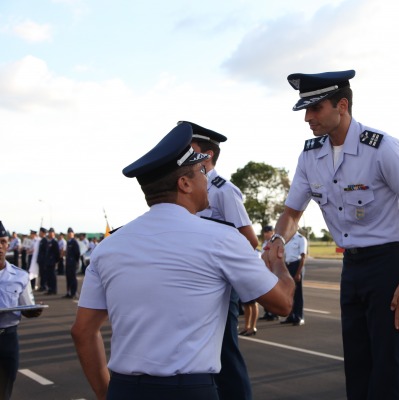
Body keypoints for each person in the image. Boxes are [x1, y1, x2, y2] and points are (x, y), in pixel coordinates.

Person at [70, 123, 294, 400]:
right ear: (184, 183)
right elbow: (282, 304)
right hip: (188, 390)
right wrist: (279, 264)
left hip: (124, 389)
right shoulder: (221, 239)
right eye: (201, 172)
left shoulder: (109, 246)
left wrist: (106, 393)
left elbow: (82, 331)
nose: (206, 180)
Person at [263, 69, 399, 400]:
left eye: (314, 109)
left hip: (391, 265)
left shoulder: (381, 148)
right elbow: (292, 213)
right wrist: (277, 239)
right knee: (358, 369)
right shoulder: (310, 155)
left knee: (390, 369)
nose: (307, 118)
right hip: (353, 267)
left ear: (341, 105)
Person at [182, 120, 260, 400]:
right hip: (198, 285)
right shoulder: (189, 189)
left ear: (207, 155)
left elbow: (249, 240)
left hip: (221, 288)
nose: (183, 154)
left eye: (190, 149)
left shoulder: (222, 190)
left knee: (225, 353)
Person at [0, 221, 44, 400]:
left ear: (8, 244)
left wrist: (33, 311)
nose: (0, 247)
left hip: (8, 340)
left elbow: (26, 305)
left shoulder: (20, 275)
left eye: (3, 242)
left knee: (4, 389)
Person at [280, 229, 308, 326]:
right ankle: (291, 316)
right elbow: (284, 255)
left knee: (298, 293)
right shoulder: (286, 239)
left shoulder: (301, 239)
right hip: (287, 266)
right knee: (289, 293)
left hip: (296, 266)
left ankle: (299, 317)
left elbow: (303, 257)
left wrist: (298, 273)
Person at [259, 225, 279, 322]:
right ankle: (267, 312)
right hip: (265, 270)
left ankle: (274, 313)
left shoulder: (275, 243)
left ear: (273, 232)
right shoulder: (264, 243)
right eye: (265, 232)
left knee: (273, 292)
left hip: (272, 269)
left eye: (268, 232)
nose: (266, 234)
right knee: (265, 291)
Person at [64, 227, 80, 299]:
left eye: (71, 233)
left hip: (72, 263)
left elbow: (77, 253)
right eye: (68, 233)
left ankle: (73, 292)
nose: (69, 234)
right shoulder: (68, 242)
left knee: (73, 278)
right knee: (68, 278)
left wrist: (75, 261)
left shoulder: (74, 242)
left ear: (73, 234)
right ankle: (68, 292)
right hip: (68, 263)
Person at [44, 228, 60, 295]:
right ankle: (50, 289)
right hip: (48, 262)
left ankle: (53, 289)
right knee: (48, 276)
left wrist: (55, 261)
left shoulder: (55, 242)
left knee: (53, 277)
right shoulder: (49, 241)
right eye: (49, 232)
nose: (50, 233)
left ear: (53, 233)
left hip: (52, 262)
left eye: (51, 232)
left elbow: (57, 253)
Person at [35, 227, 48, 292]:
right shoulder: (42, 240)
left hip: (43, 261)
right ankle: (42, 285)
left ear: (43, 233)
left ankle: (44, 286)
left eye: (40, 232)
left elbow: (46, 252)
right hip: (41, 260)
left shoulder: (45, 240)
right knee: (41, 274)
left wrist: (44, 260)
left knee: (43, 274)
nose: (39, 233)